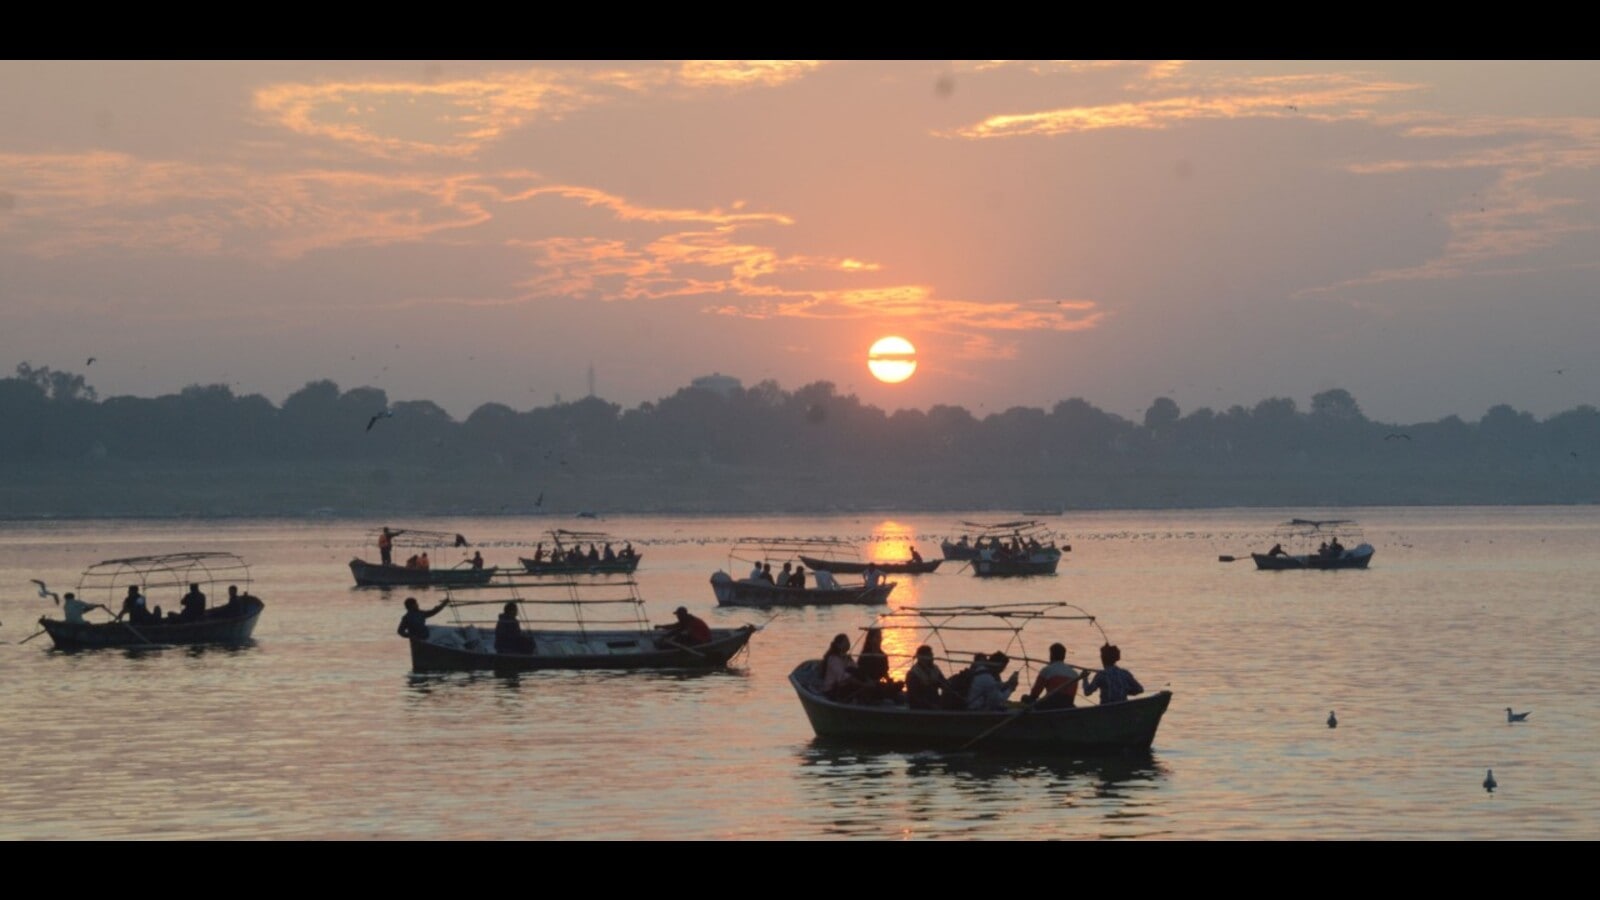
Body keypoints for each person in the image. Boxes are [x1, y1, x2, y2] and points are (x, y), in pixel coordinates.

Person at [1026, 642, 1082, 710]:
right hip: (1068, 705)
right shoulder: (1074, 673)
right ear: (1064, 656)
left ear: (1051, 655)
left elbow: (1035, 693)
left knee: (1025, 698)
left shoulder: (1047, 670)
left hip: (1052, 704)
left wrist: (1029, 700)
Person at [819, 633, 862, 702]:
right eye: (845, 642)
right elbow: (841, 677)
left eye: (848, 641)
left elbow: (856, 669)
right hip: (832, 689)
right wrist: (857, 682)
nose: (848, 644)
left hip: (845, 686)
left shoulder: (847, 658)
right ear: (838, 645)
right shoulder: (833, 659)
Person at [904, 644, 948, 709]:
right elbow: (915, 696)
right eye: (929, 656)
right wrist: (931, 706)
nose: (932, 658)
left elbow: (944, 684)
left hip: (935, 701)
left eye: (931, 655)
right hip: (919, 706)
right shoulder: (913, 674)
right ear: (921, 658)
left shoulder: (935, 670)